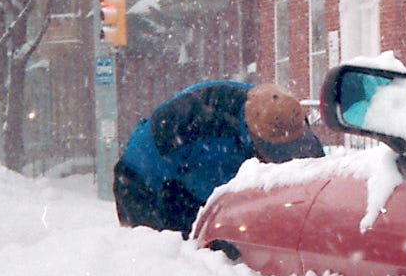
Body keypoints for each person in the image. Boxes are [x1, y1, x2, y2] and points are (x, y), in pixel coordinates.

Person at [114, 81, 322, 232]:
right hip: (146, 184)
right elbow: (214, 201)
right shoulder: (197, 127)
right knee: (185, 254)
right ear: (253, 134)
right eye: (274, 151)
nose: (279, 159)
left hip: (200, 176)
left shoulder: (283, 116)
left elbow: (314, 170)